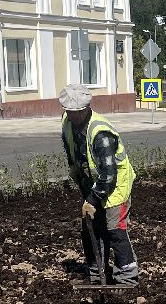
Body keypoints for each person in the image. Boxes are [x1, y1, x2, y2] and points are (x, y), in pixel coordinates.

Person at [59, 83, 138, 286]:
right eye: (71, 111)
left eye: (79, 111)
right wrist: (79, 179)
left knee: (114, 230)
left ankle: (127, 278)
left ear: (87, 107)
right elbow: (71, 151)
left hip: (115, 186)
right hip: (92, 184)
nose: (75, 116)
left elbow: (109, 174)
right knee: (91, 230)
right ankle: (97, 273)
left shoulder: (100, 133)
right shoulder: (67, 122)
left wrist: (92, 199)